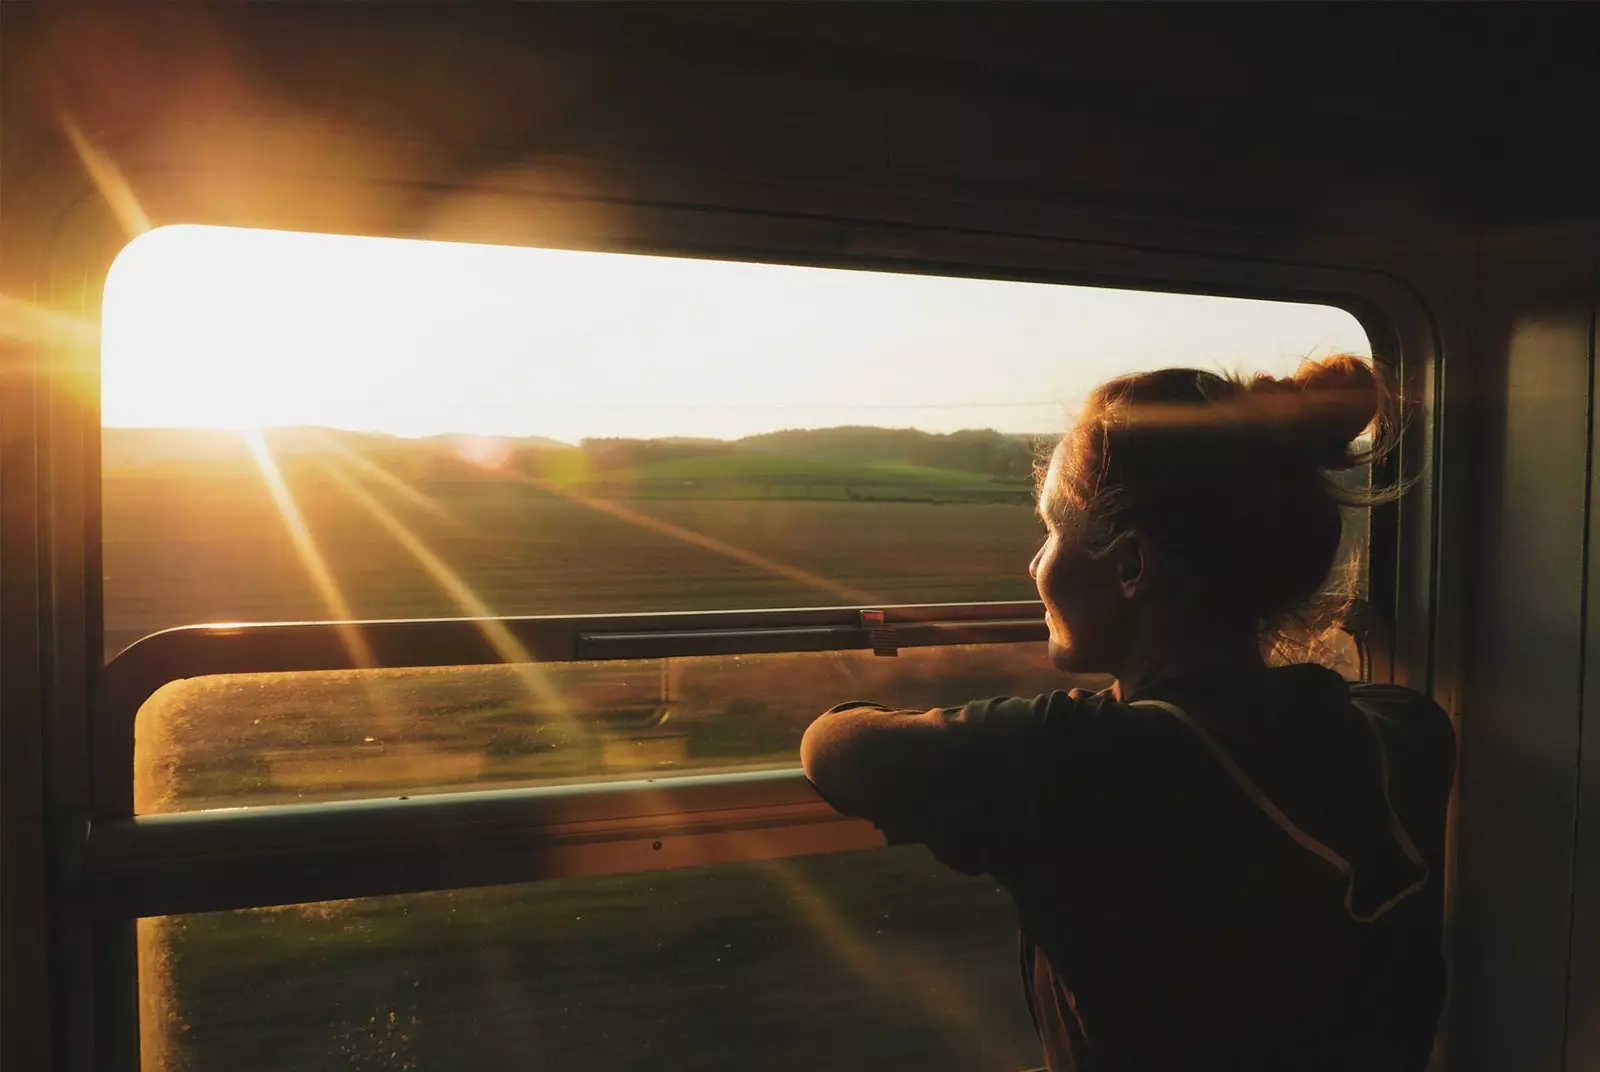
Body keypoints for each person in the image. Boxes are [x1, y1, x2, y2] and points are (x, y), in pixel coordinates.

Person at [800, 355, 1453, 1071]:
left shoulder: (1079, 760)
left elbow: (836, 747)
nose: (1035, 566)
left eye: (1053, 529)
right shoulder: (1406, 729)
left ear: (1132, 566)